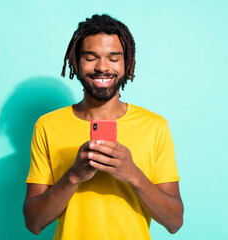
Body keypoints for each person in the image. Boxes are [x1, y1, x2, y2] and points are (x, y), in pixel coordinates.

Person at [23, 14, 184, 240]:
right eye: (91, 57)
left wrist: (133, 175)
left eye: (113, 58)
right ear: (75, 62)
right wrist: (74, 175)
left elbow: (174, 221)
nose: (102, 67)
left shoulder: (155, 126)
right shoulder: (47, 126)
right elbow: (34, 222)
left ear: (126, 63)